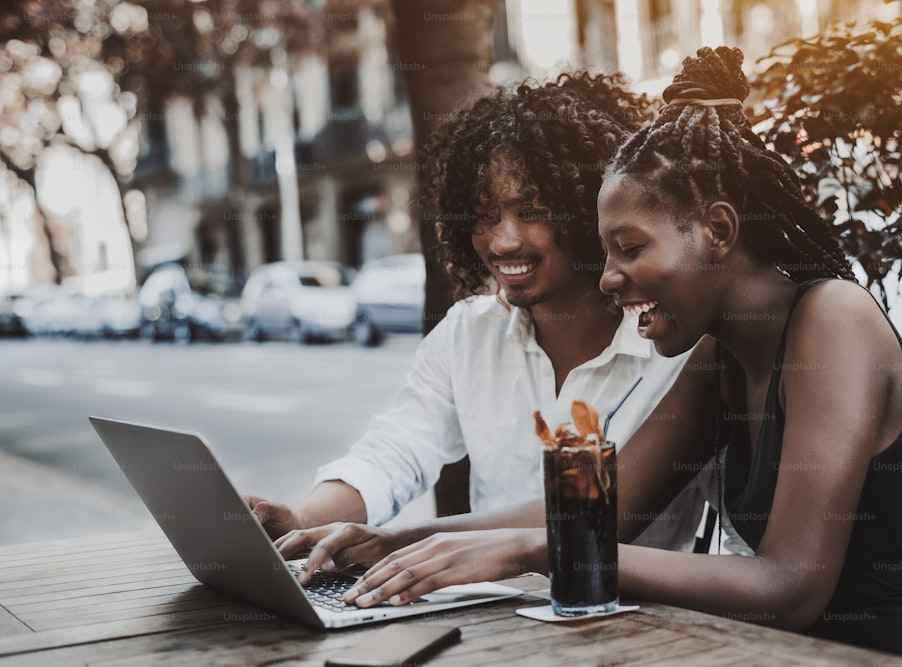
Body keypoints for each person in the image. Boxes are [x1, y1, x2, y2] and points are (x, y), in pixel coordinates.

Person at [320, 48, 902, 665]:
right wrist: (397, 542)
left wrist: (539, 549)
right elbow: (602, 511)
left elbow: (788, 585)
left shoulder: (834, 321)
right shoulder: (721, 359)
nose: (609, 278)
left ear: (719, 231)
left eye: (629, 246)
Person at [248, 72, 725, 565]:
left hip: (643, 630)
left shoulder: (677, 343)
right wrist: (303, 518)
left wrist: (403, 542)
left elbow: (605, 516)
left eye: (533, 210)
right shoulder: (468, 332)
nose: (502, 241)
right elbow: (395, 451)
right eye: (482, 215)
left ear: (593, 208)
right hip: (494, 623)